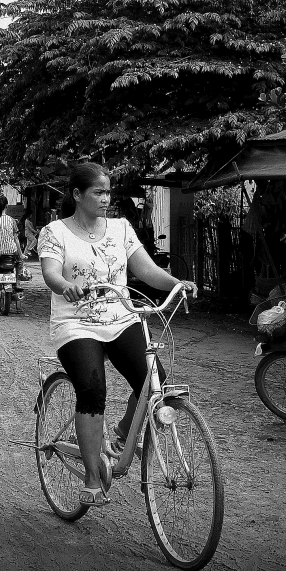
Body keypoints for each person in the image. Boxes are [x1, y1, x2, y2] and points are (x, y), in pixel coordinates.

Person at [37, 162, 198, 507]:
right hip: (76, 323)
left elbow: (146, 269)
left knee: (156, 381)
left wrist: (176, 284)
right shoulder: (55, 232)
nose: (106, 198)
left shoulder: (121, 228)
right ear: (78, 195)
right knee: (93, 389)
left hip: (121, 318)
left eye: (108, 191)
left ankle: (124, 432)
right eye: (99, 191)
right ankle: (94, 479)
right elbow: (51, 273)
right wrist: (68, 286)